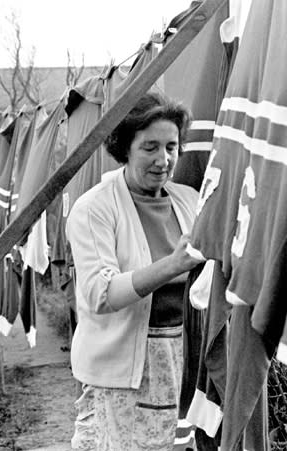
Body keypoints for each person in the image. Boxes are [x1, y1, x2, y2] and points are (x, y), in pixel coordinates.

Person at [66, 91, 202, 450]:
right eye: (150, 147)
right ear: (125, 148)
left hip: (182, 363)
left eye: (171, 147)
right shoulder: (94, 208)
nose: (164, 159)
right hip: (124, 371)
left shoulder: (188, 200)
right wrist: (173, 264)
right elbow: (102, 294)